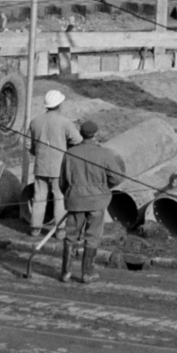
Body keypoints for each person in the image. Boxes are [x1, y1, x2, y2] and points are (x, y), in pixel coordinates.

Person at [58, 120, 124, 285]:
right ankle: (87, 273)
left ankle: (65, 273)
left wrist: (70, 194)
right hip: (97, 201)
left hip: (75, 200)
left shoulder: (70, 153)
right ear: (96, 134)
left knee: (70, 237)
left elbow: (62, 182)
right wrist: (104, 187)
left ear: (81, 134)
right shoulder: (105, 154)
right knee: (92, 237)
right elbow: (116, 178)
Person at [27, 89, 80, 237]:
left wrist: (38, 153)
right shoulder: (65, 122)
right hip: (59, 168)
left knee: (38, 197)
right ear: (60, 105)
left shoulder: (35, 121)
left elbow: (27, 145)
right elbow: (78, 140)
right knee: (59, 197)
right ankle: (60, 231)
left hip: (40, 166)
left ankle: (35, 229)